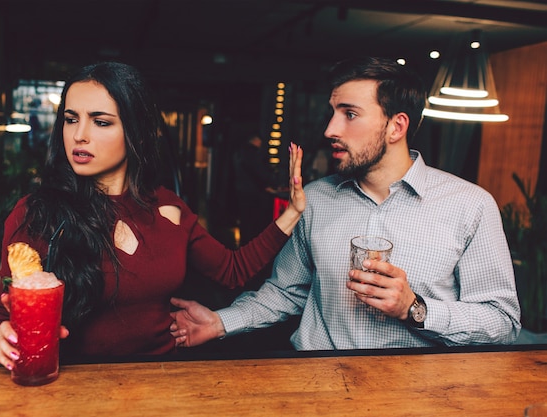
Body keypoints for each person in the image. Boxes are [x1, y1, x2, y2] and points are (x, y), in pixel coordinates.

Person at [170, 56, 521, 351]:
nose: (330, 129)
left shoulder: (470, 205)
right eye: (333, 111)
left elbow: (503, 322)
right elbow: (285, 292)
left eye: (349, 114)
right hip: (315, 388)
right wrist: (219, 322)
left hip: (412, 396)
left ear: (396, 126)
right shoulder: (319, 198)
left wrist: (413, 308)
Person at [0, 62, 305, 370]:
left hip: (161, 382)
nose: (79, 135)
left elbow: (233, 271)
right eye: (71, 119)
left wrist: (292, 213)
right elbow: (6, 315)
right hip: (77, 387)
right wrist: (5, 334)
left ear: (137, 134)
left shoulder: (169, 208)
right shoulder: (36, 214)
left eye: (100, 122)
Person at [233, 133, 275, 246]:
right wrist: (267, 183)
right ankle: (249, 245)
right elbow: (258, 171)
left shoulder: (240, 152)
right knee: (252, 220)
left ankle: (245, 243)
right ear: (255, 140)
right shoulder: (251, 153)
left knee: (246, 219)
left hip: (243, 189)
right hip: (252, 191)